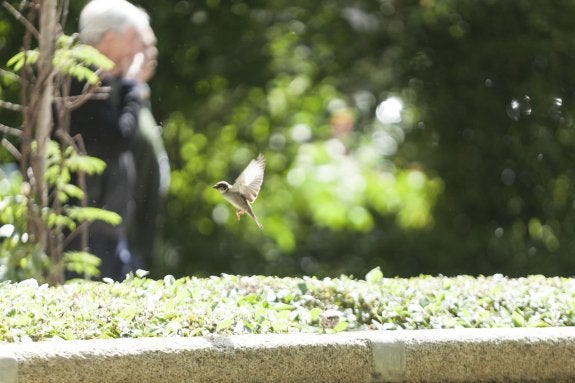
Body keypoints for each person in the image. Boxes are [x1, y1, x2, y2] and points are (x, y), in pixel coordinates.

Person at [67, 0, 150, 280]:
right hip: (85, 230)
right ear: (111, 39)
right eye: (134, 40)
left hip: (105, 227)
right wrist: (133, 88)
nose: (138, 51)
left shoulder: (100, 77)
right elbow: (118, 137)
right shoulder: (81, 78)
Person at [128, 23, 170, 272]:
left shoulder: (140, 97)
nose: (152, 53)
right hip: (123, 242)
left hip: (139, 245)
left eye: (153, 45)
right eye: (144, 46)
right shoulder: (118, 101)